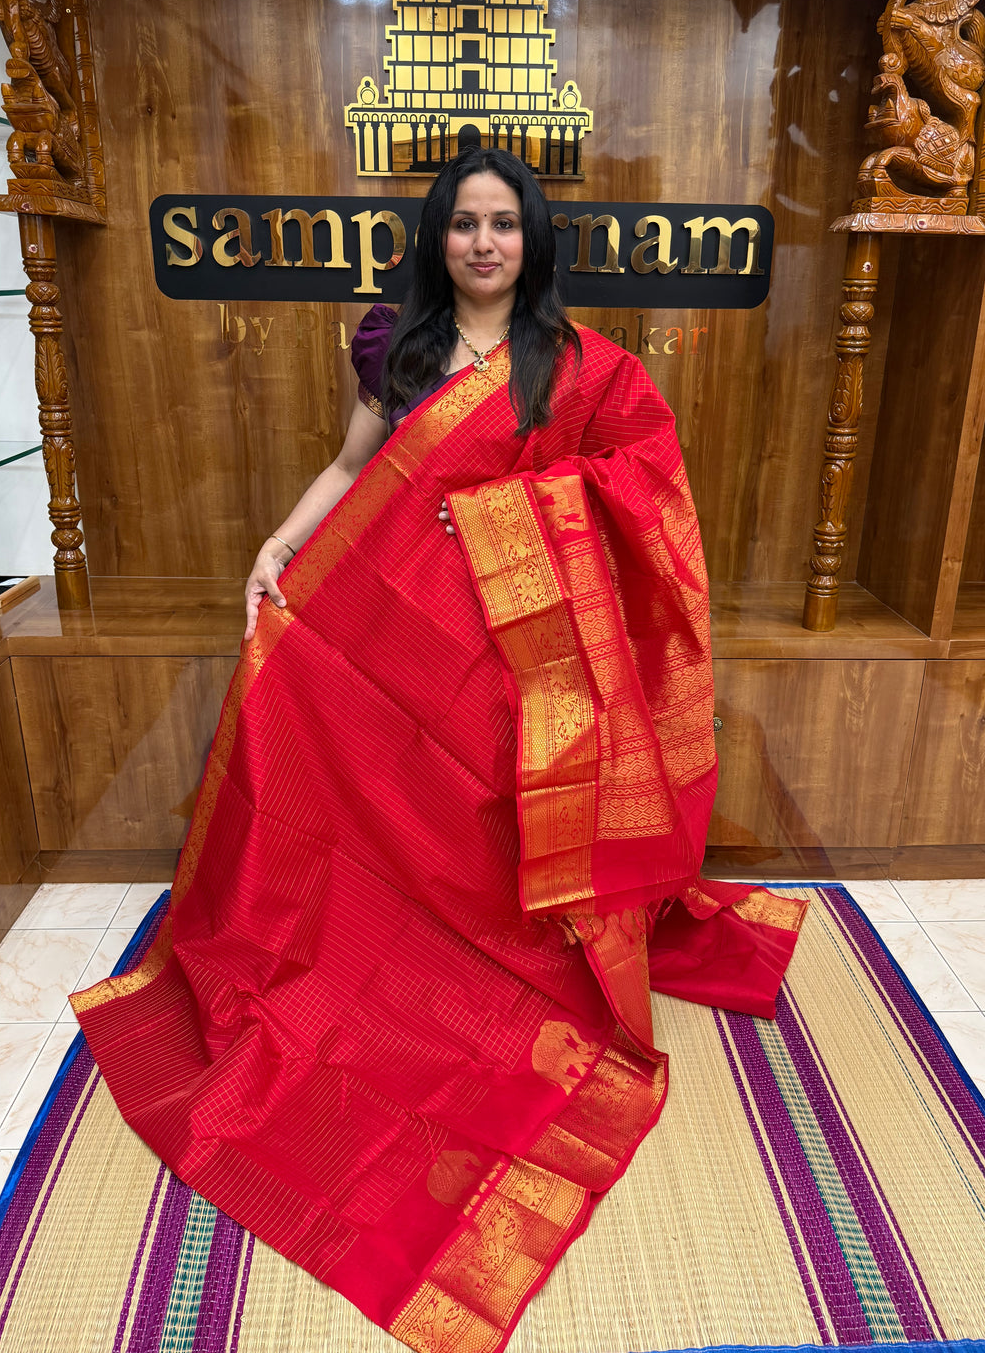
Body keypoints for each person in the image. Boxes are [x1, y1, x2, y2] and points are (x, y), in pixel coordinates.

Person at [73, 147, 805, 1353]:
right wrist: (277, 544)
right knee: (314, 743)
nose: (481, 243)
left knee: (491, 825)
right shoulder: (395, 348)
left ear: (533, 241)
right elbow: (358, 470)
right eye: (463, 224)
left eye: (503, 225)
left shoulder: (579, 367)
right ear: (437, 238)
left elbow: (649, 486)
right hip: (394, 641)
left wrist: (528, 515)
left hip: (520, 662)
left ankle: (492, 954)